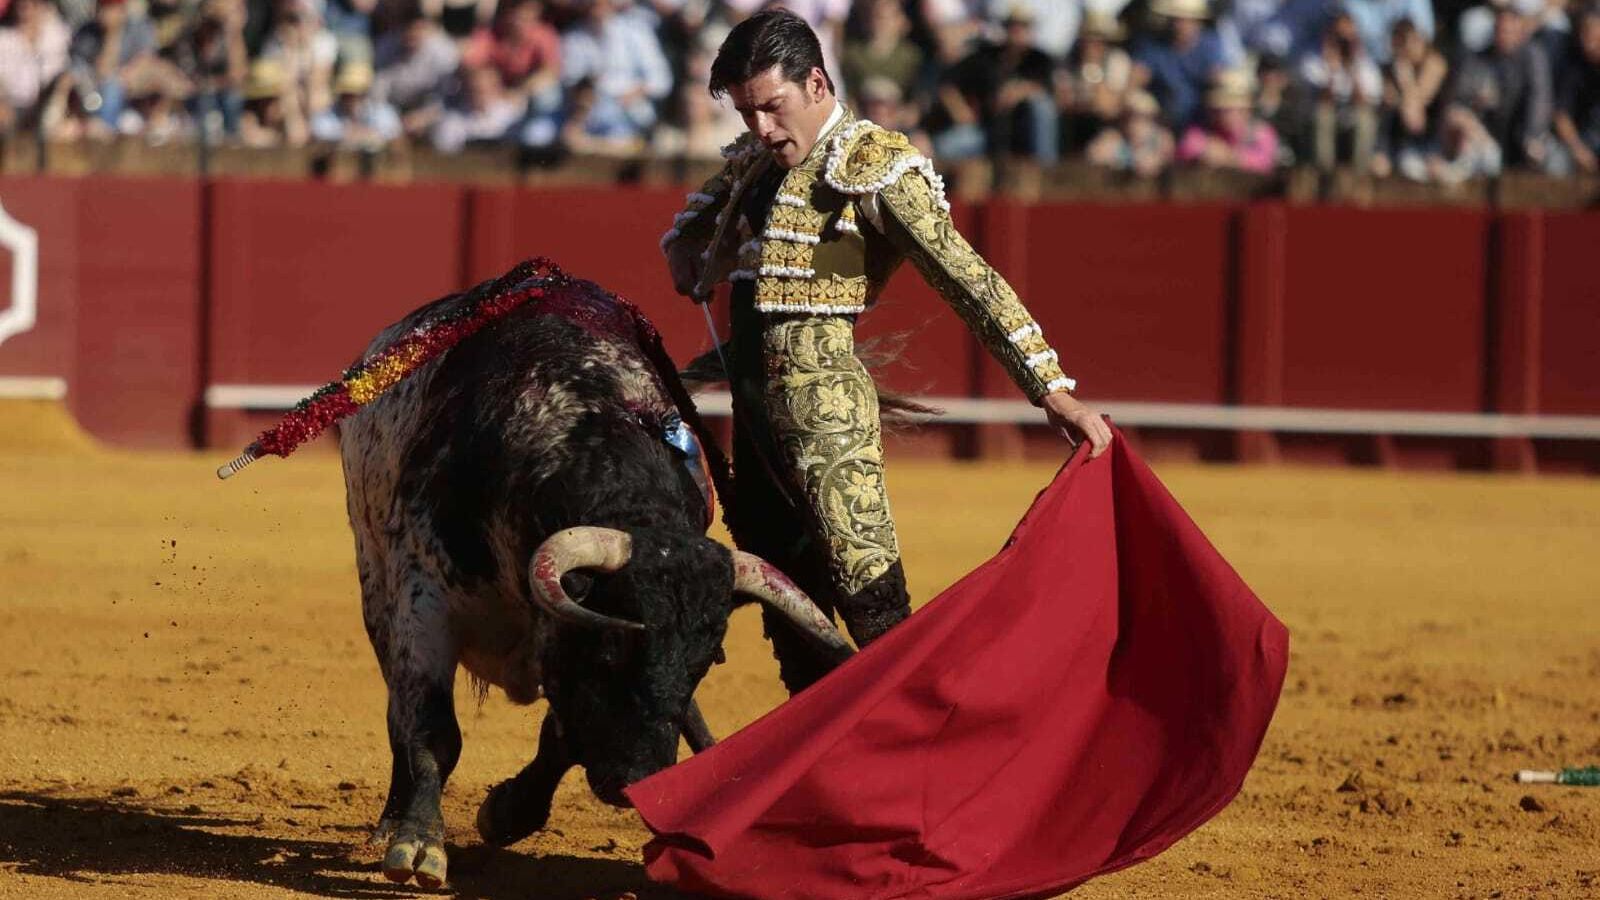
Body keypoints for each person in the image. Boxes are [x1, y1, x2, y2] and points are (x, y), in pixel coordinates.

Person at [660, 9, 1111, 694]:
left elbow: (969, 279)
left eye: (773, 109)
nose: (761, 129)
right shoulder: (757, 162)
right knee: (786, 600)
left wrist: (1051, 388)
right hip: (752, 417)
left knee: (872, 601)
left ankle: (929, 753)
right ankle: (833, 763)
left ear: (817, 83)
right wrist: (698, 257)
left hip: (826, 417)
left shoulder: (876, 166)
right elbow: (688, 246)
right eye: (749, 114)